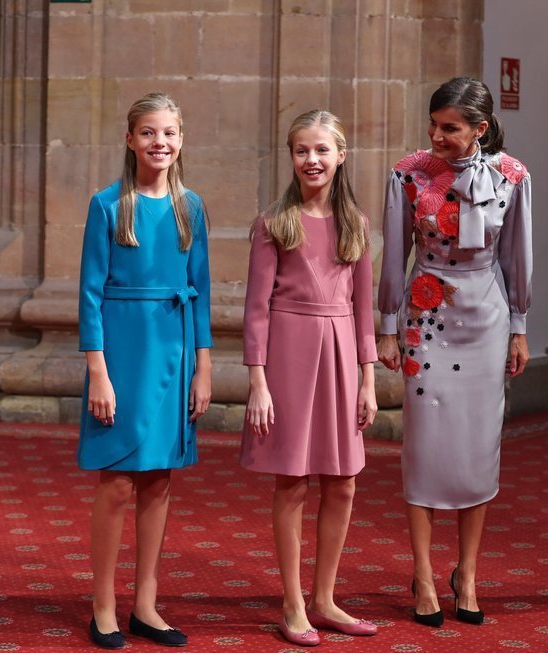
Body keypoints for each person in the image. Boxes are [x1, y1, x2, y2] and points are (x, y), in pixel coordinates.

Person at [377, 77, 532, 627]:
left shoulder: (513, 176)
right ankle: (422, 573)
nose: (436, 136)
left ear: (479, 130)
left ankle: (466, 572)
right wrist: (388, 326)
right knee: (423, 447)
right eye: (433, 125)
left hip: (486, 320)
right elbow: (394, 254)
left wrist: (518, 326)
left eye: (450, 128)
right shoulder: (407, 172)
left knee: (477, 449)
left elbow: (516, 257)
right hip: (426, 319)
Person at [77, 92, 212, 648]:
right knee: (115, 484)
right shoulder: (108, 205)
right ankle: (102, 604)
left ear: (182, 141)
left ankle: (146, 604)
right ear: (130, 140)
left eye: (170, 134)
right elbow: (88, 294)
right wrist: (98, 373)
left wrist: (204, 369)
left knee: (159, 480)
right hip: (122, 353)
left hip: (175, 351)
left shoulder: (192, 208)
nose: (161, 143)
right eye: (149, 133)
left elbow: (199, 292)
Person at [241, 109, 379, 647]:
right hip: (289, 356)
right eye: (302, 150)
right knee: (293, 479)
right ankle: (293, 602)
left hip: (343, 354)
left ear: (341, 155)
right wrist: (258, 381)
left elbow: (363, 309)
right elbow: (255, 309)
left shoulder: (357, 225)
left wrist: (368, 379)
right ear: (291, 157)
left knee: (343, 480)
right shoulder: (274, 222)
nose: (312, 160)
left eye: (322, 150)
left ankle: (325, 598)